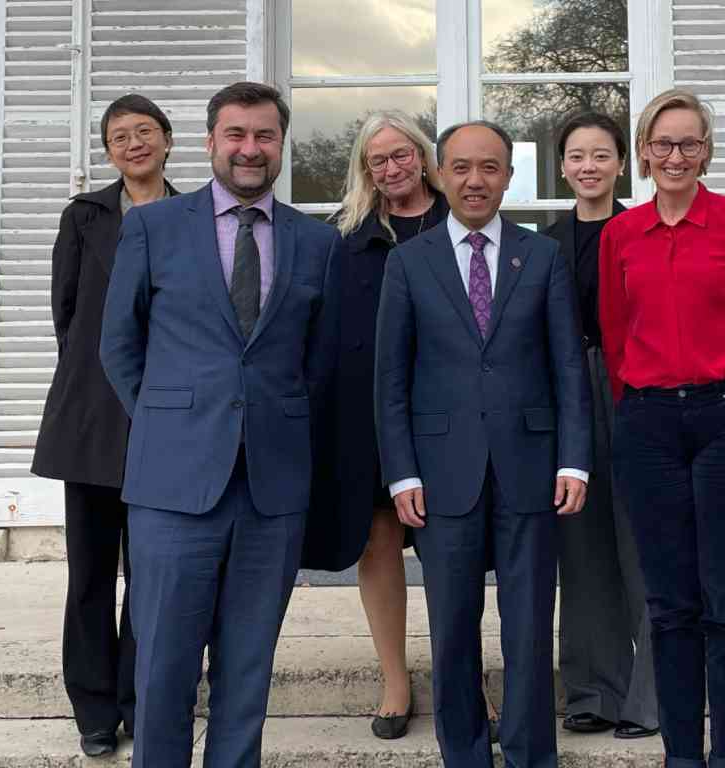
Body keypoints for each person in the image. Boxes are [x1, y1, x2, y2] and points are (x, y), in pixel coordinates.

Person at [99, 81, 340, 768]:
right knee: (162, 669)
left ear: (281, 145)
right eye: (236, 134)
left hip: (271, 491)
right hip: (173, 486)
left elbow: (319, 364)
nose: (249, 149)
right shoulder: (153, 227)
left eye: (265, 135)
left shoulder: (317, 242)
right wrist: (172, 421)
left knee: (248, 673)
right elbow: (118, 345)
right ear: (210, 142)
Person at [375, 120, 592, 768]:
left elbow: (568, 368)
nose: (476, 180)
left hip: (532, 468)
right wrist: (402, 473)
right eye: (462, 167)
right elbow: (391, 379)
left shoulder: (542, 256)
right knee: (452, 628)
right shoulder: (408, 262)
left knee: (528, 627)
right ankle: (464, 754)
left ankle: (530, 754)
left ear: (508, 176)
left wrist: (574, 459)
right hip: (441, 475)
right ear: (441, 174)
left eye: (490, 167)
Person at [598, 88, 725, 768]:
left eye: (690, 143)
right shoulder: (622, 235)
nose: (676, 155)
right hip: (650, 425)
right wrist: (639, 407)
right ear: (644, 153)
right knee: (670, 606)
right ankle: (682, 756)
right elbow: (617, 330)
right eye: (663, 143)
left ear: (707, 151)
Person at [305, 110, 502, 741]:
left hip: (451, 415)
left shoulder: (462, 224)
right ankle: (395, 680)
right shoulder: (346, 240)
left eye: (401, 155)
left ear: (423, 158)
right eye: (377, 160)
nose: (391, 168)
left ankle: (463, 683)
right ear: (365, 170)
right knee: (379, 544)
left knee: (454, 555)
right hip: (370, 414)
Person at [30, 93, 178, 758]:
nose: (134, 143)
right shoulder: (84, 216)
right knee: (90, 573)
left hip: (167, 420)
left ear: (168, 140)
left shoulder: (193, 216)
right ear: (109, 151)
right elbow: (65, 315)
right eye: (120, 136)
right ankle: (93, 709)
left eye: (144, 131)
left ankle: (139, 699)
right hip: (91, 418)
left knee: (153, 575)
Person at [544, 111, 659, 740]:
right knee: (581, 545)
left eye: (601, 155)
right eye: (577, 156)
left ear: (622, 164)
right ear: (562, 167)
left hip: (636, 387)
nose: (589, 166)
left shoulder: (643, 232)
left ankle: (653, 697)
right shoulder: (543, 244)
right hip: (568, 393)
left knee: (644, 541)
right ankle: (593, 690)